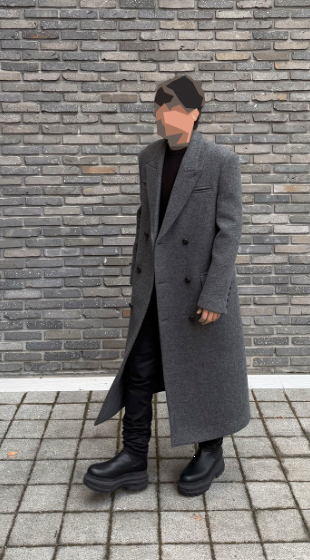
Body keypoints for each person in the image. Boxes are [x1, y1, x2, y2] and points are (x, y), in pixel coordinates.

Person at [83, 75, 250, 497]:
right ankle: (133, 458)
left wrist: (215, 293)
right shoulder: (149, 158)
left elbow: (229, 230)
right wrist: (138, 282)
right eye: (158, 106)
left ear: (193, 112)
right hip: (156, 285)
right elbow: (146, 224)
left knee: (203, 369)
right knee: (139, 368)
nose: (160, 114)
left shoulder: (220, 160)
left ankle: (210, 452)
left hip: (198, 289)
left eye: (169, 107)